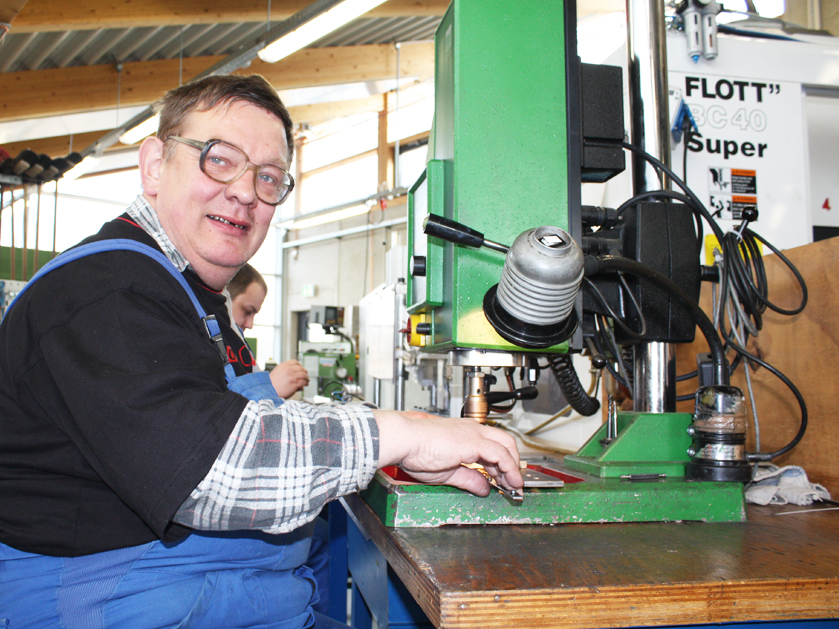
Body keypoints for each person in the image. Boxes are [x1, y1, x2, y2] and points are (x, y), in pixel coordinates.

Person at [0, 74, 523, 629]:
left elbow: (230, 418)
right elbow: (216, 471)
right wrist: (404, 432)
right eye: (219, 159)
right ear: (154, 164)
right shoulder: (106, 291)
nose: (246, 192)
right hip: (120, 608)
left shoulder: (186, 295)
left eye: (269, 177)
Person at [226, 262, 310, 398]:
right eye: (247, 311)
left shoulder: (240, 349)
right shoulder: (204, 347)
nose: (250, 324)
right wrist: (271, 389)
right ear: (224, 300)